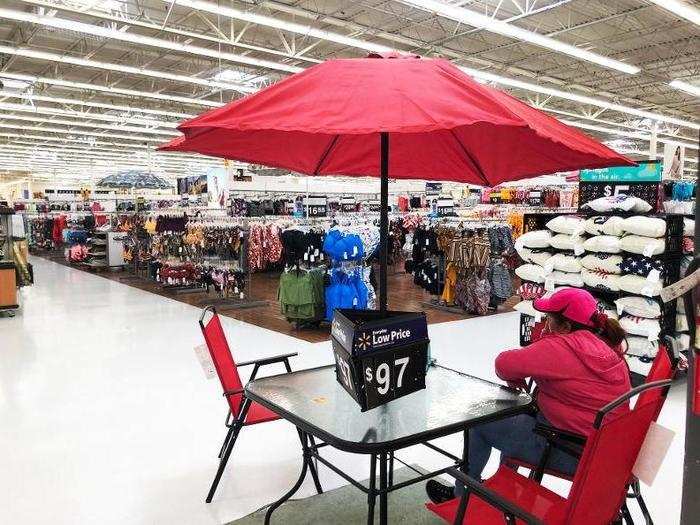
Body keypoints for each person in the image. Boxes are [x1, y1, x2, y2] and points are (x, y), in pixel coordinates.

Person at [426, 288, 631, 503]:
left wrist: (543, 343)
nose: (545, 321)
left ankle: (461, 497)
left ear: (565, 326)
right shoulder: (607, 346)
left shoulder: (562, 347)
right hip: (601, 452)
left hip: (567, 450)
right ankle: (501, 488)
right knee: (512, 420)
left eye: (549, 318)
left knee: (478, 420)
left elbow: (503, 363)